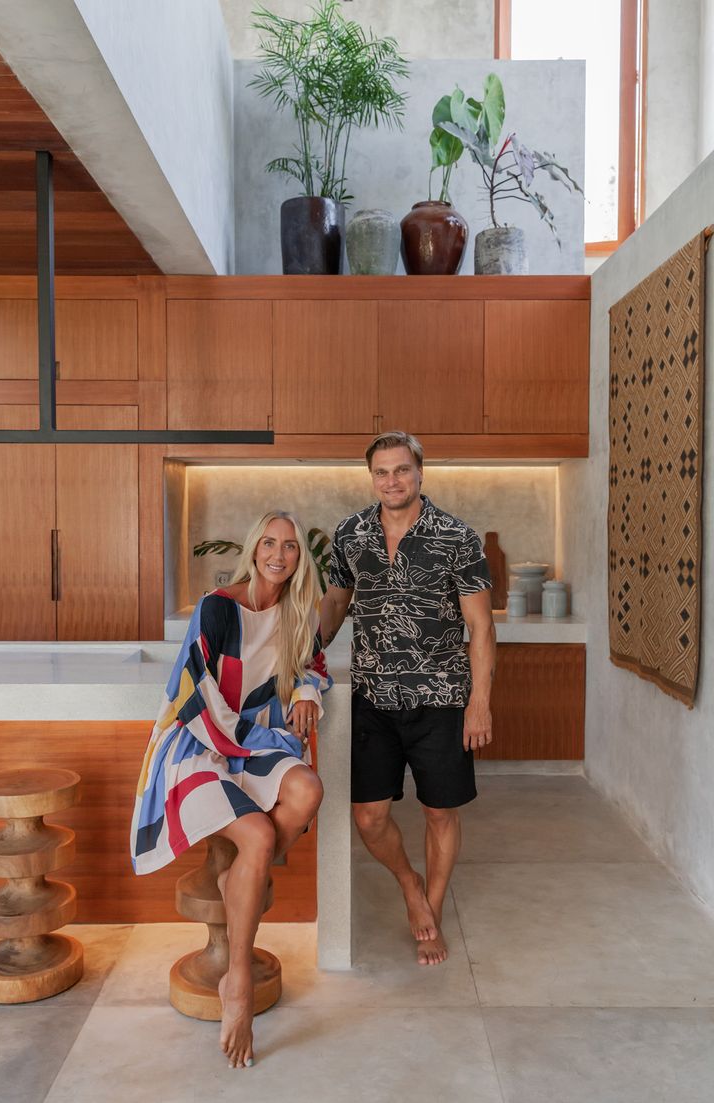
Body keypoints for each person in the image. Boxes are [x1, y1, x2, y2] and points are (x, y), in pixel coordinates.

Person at [130, 511, 331, 1069]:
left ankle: (242, 872)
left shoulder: (297, 610)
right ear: (253, 548)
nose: (279, 553)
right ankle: (236, 983)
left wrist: (309, 691)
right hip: (199, 740)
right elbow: (191, 690)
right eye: (269, 542)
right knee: (260, 837)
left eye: (290, 546)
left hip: (253, 740)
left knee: (308, 791)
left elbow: (313, 661)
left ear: (299, 558)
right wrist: (251, 738)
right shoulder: (218, 607)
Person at [320, 430, 495, 966]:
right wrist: (302, 652)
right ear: (371, 477)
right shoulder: (351, 534)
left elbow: (481, 628)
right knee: (368, 816)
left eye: (401, 470)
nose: (391, 480)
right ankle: (409, 883)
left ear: (420, 472)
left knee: (440, 812)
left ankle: (432, 911)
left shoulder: (456, 537)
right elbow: (333, 605)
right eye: (381, 472)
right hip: (373, 698)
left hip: (442, 699)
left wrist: (479, 703)